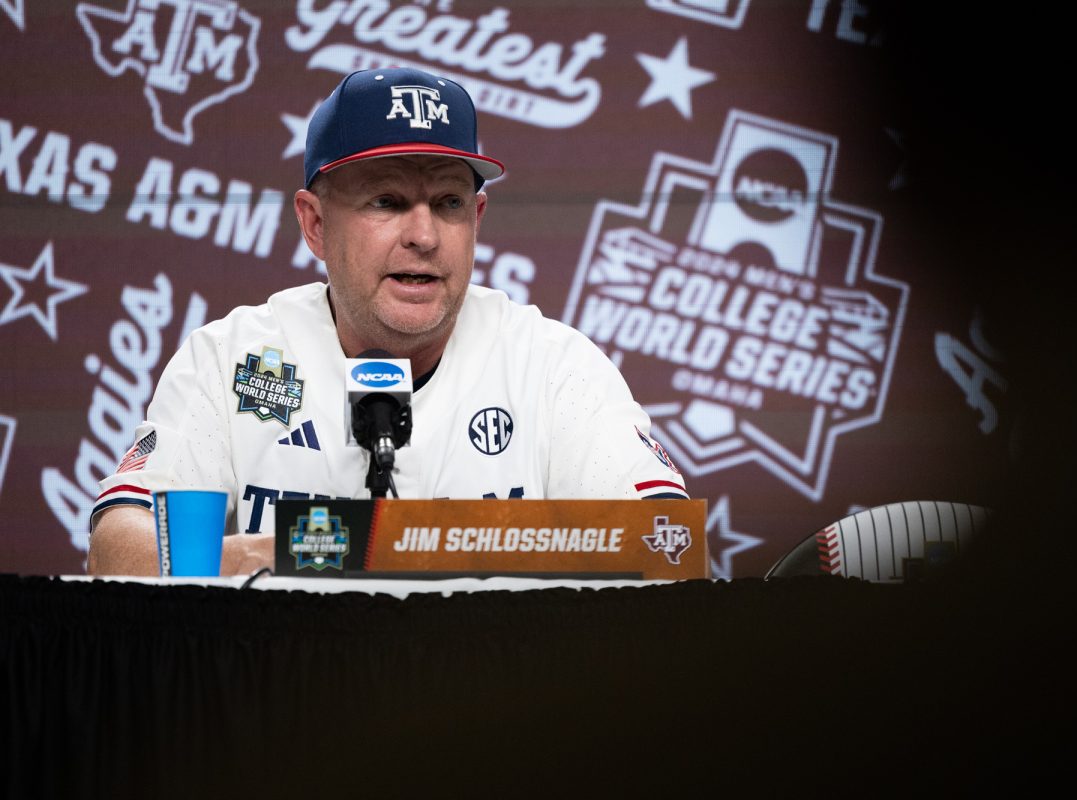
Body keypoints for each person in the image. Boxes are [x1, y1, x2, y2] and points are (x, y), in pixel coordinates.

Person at [86, 67, 689, 577]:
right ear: (315, 225)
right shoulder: (235, 358)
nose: (424, 236)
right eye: (387, 202)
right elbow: (118, 550)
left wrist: (350, 547)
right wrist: (284, 553)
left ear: (477, 218)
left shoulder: (553, 364)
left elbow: (670, 545)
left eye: (449, 204)